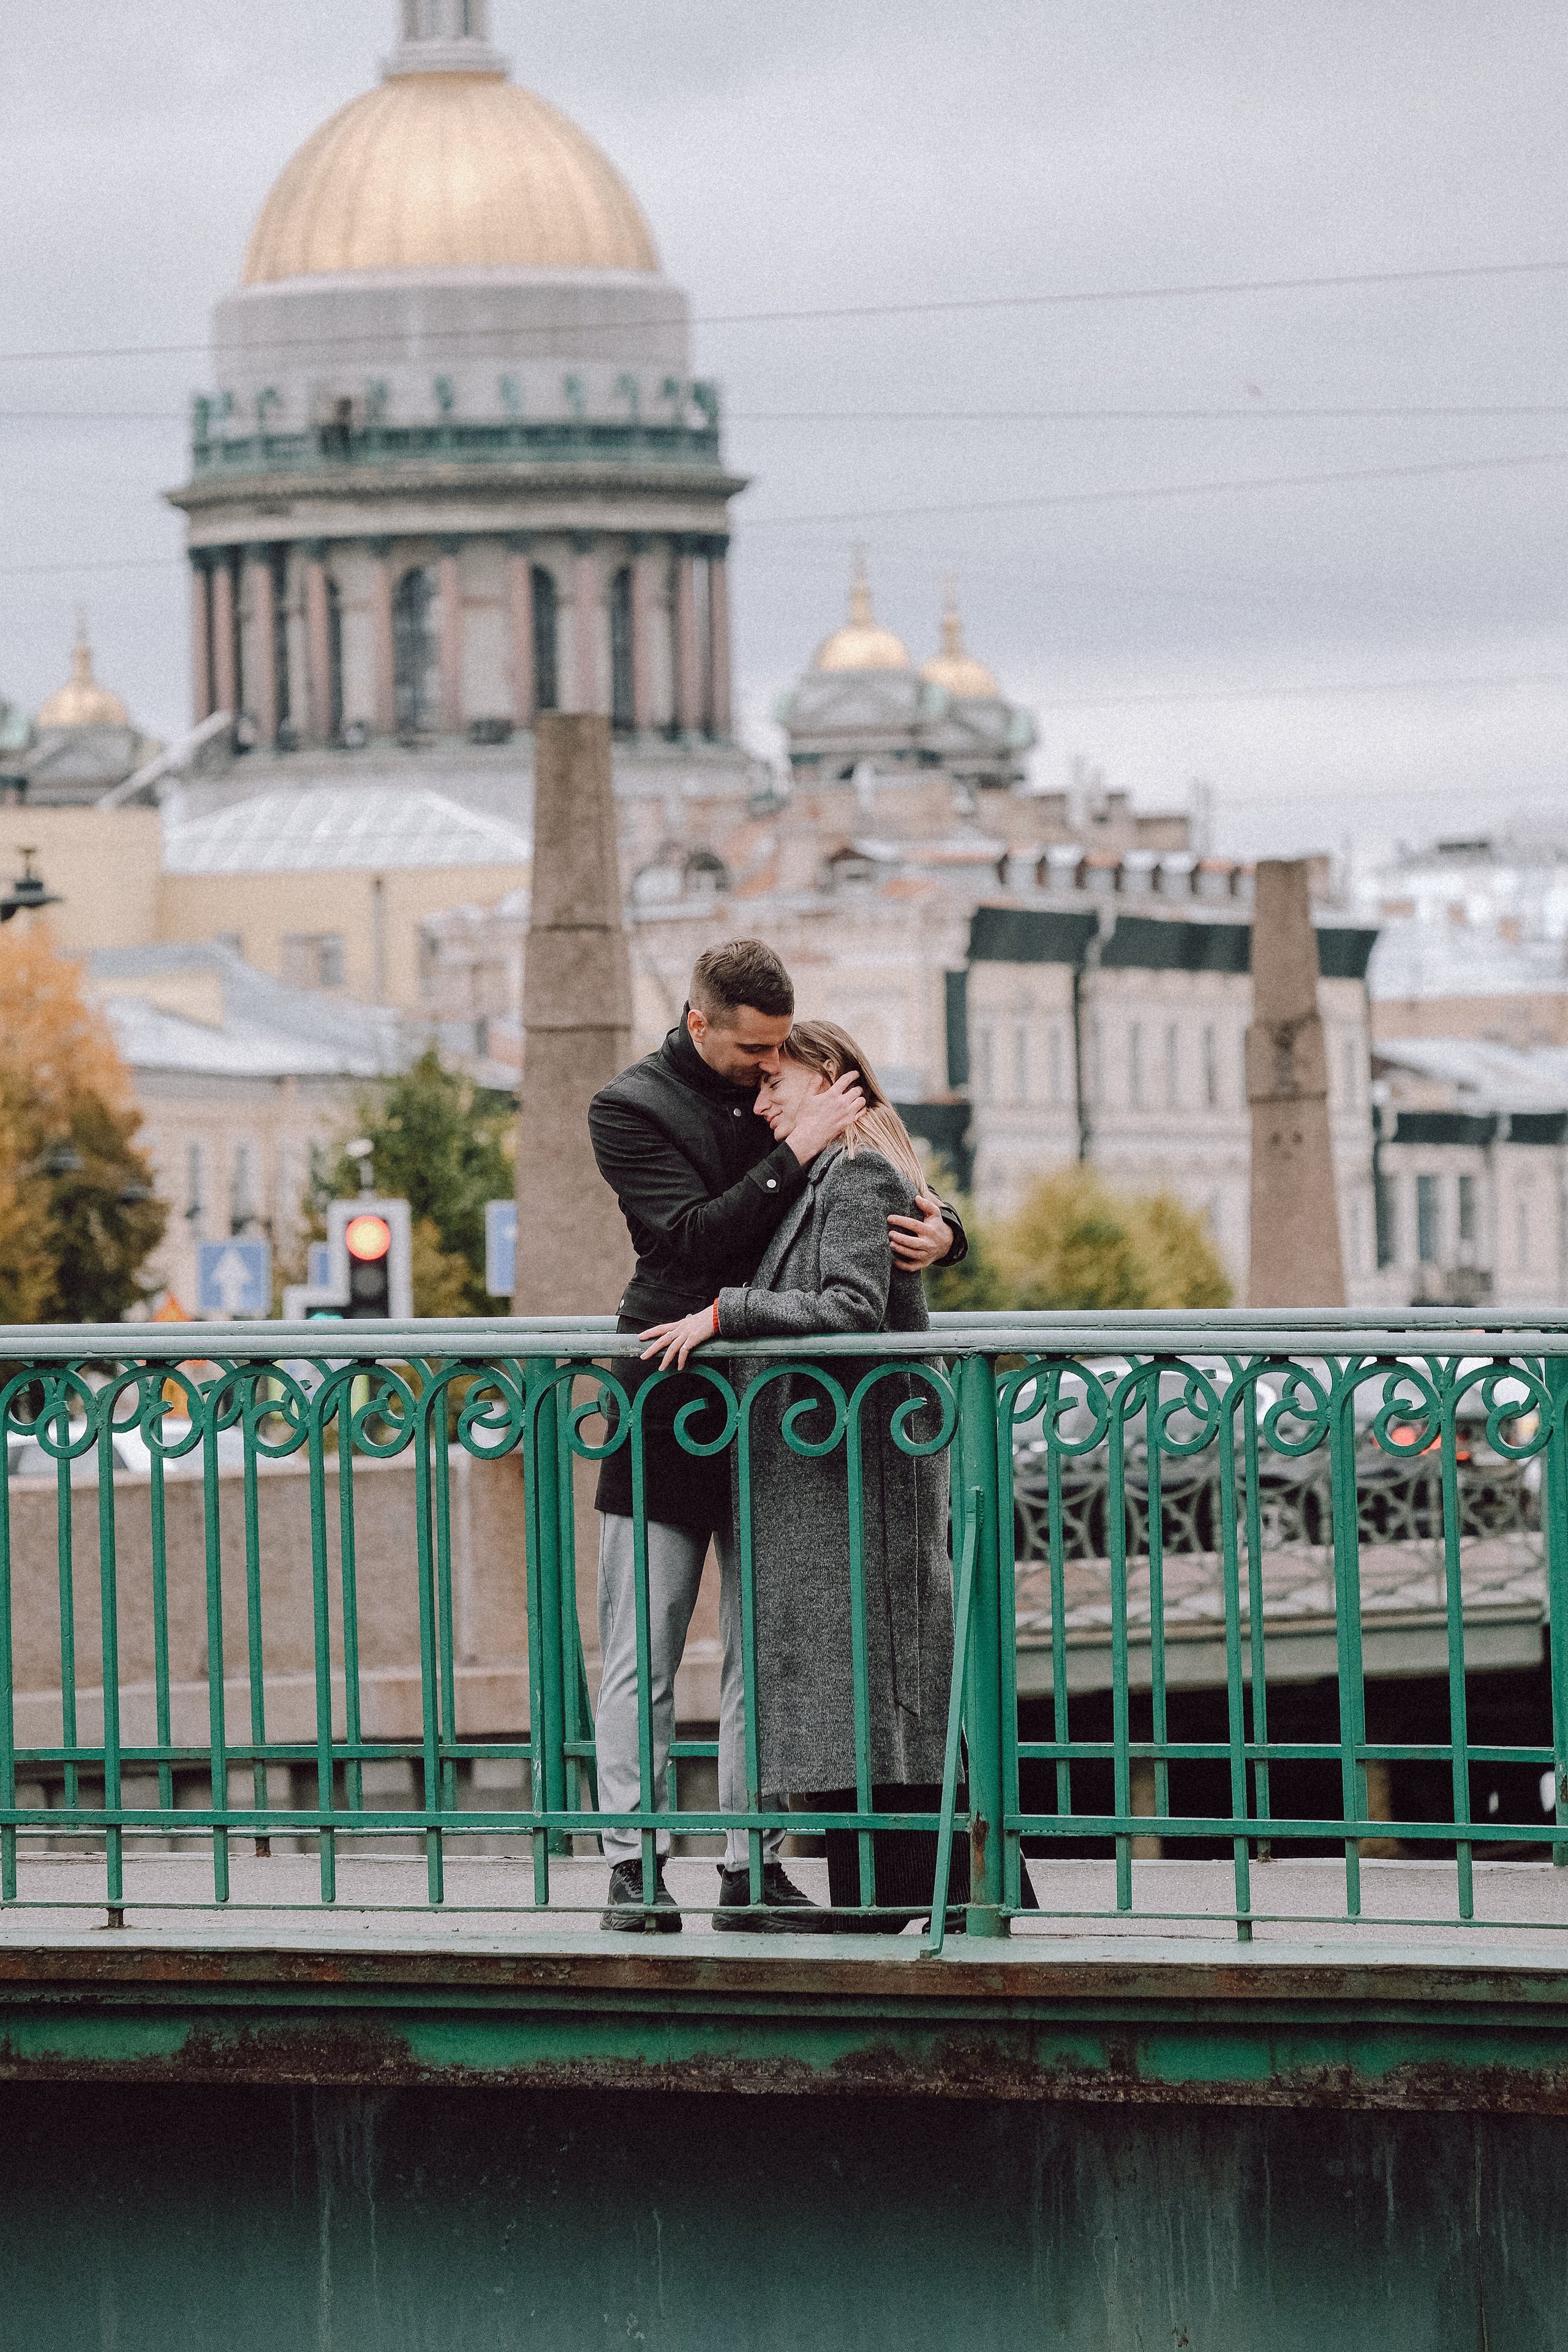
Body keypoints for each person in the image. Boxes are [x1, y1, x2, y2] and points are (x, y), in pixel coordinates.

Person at [589, 941, 963, 1932]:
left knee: (766, 1653)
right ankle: (634, 1866)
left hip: (777, 1416)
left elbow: (861, 1187)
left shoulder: (790, 1089)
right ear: (700, 1023)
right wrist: (797, 1146)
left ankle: (750, 1863)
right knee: (648, 1646)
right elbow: (696, 1241)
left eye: (776, 1060)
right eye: (753, 1052)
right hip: (669, 1390)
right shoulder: (629, 1109)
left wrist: (946, 1227)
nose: (767, 1074)